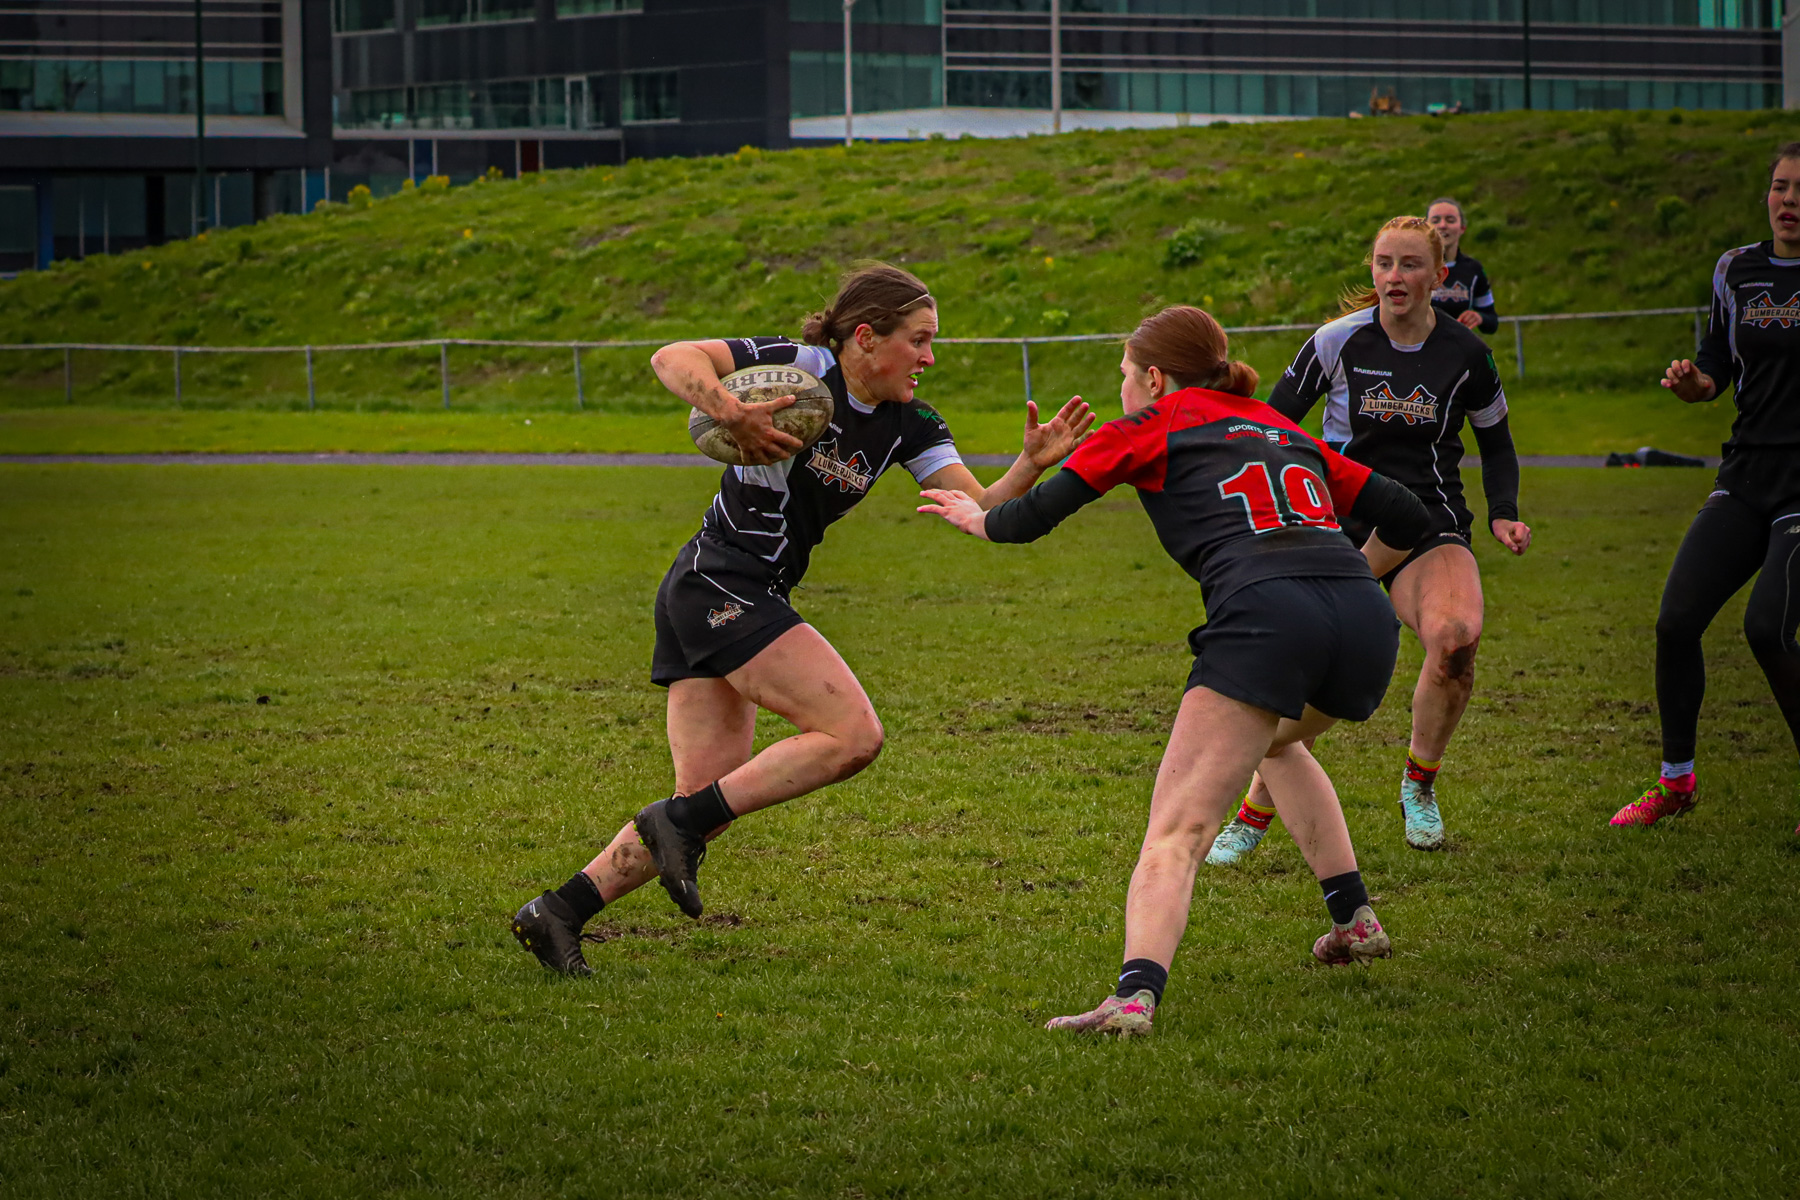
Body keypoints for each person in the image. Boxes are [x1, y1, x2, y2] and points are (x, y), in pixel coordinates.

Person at [511, 262, 1095, 975]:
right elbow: (673, 359)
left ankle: (561, 911)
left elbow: (975, 506)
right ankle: (671, 830)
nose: (930, 357)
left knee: (705, 804)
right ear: (865, 337)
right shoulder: (800, 366)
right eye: (919, 340)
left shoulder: (912, 425)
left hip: (736, 588)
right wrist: (730, 412)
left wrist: (1030, 468)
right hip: (720, 579)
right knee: (852, 735)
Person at [918, 305, 1431, 1036]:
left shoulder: (1148, 424)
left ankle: (1132, 998)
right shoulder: (1280, 426)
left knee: (1178, 830)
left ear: (1153, 378)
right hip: (1365, 625)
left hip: (1267, 620)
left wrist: (979, 519)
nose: (1124, 389)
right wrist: (1346, 574)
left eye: (1126, 376)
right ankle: (1355, 921)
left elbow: (1032, 517)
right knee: (1278, 743)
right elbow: (1409, 514)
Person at [1208, 215, 1529, 864]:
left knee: (1455, 639)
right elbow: (1272, 426)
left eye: (1410, 264)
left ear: (1440, 277)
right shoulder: (1337, 342)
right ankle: (1250, 815)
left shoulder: (1467, 357)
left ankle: (1420, 784)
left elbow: (1496, 441)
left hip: (1429, 523)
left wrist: (1503, 511)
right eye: (1384, 263)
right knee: (1307, 680)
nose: (1394, 277)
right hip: (1339, 526)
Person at [1611, 143, 1800, 831]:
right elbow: (1718, 362)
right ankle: (1676, 783)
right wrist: (1696, 385)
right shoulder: (1736, 269)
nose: (1790, 201)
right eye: (1781, 187)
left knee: (1767, 628)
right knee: (1675, 622)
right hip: (1748, 472)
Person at [1426, 197, 1499, 335]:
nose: (1442, 225)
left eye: (1450, 220)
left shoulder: (1473, 269)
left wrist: (1479, 318)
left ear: (1462, 228)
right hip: (1418, 351)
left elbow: (1492, 323)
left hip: (1459, 351)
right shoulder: (1413, 268)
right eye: (1435, 221)